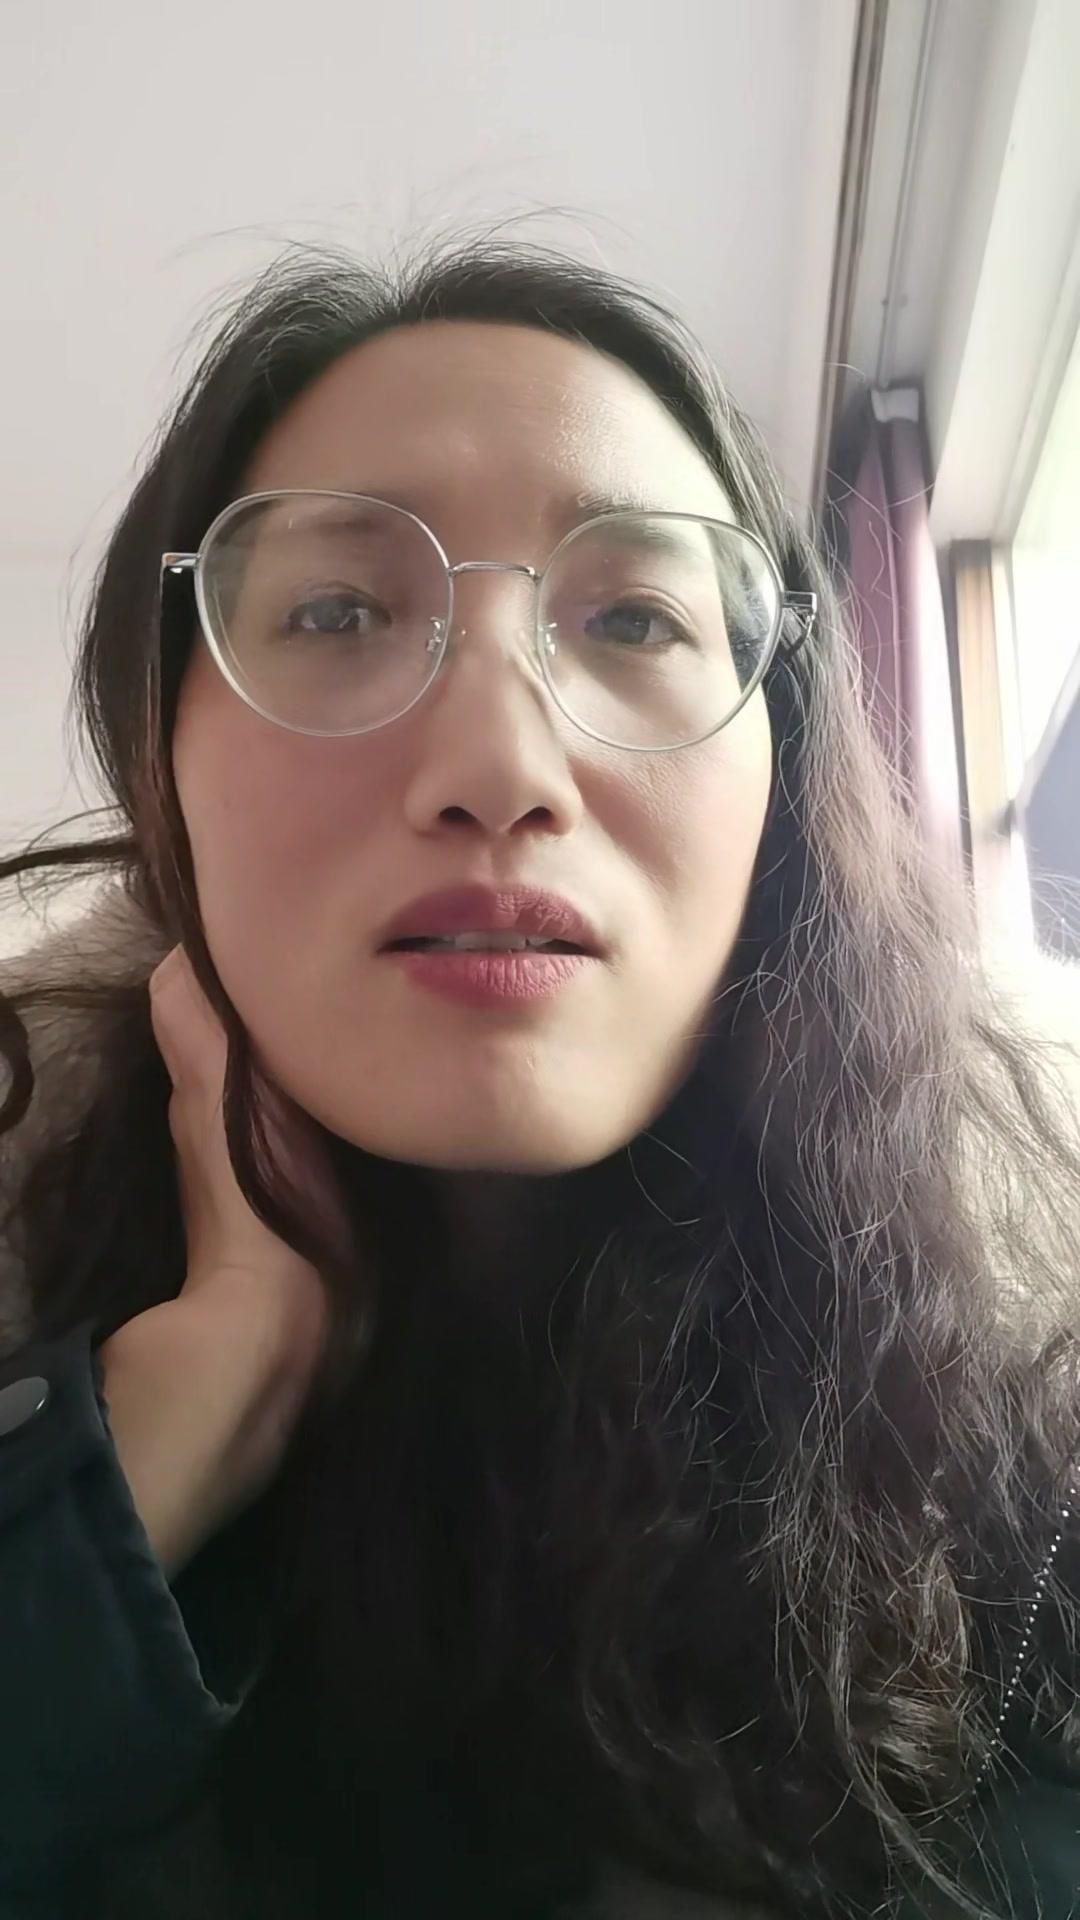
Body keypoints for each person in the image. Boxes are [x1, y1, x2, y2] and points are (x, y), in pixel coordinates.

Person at [1, 234, 1080, 1920]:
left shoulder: (1037, 1482)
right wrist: (154, 1444)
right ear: (166, 780)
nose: (501, 765)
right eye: (338, 611)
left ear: (780, 794)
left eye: (637, 615)